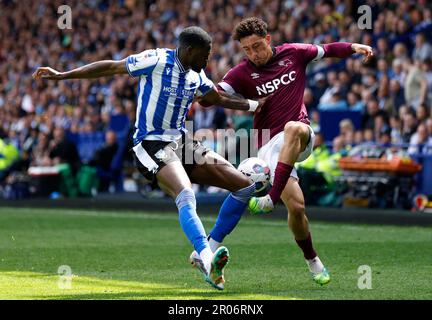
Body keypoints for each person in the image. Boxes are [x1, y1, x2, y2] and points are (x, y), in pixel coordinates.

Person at [33, 26, 268, 290]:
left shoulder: (196, 75)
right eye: (204, 55)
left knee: (245, 186)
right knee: (186, 194)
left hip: (182, 141)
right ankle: (206, 256)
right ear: (189, 50)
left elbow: (216, 98)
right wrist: (64, 75)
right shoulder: (156, 60)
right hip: (151, 143)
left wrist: (253, 105)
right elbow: (112, 67)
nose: (207, 61)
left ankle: (207, 252)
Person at [208, 17, 373, 285]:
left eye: (257, 46)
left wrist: (354, 46)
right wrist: (249, 105)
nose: (253, 53)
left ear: (269, 40)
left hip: (299, 134)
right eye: (247, 49)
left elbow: (328, 49)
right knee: (297, 208)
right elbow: (213, 97)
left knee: (294, 128)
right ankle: (313, 261)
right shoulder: (240, 73)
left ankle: (270, 199)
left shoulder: (294, 53)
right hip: (268, 147)